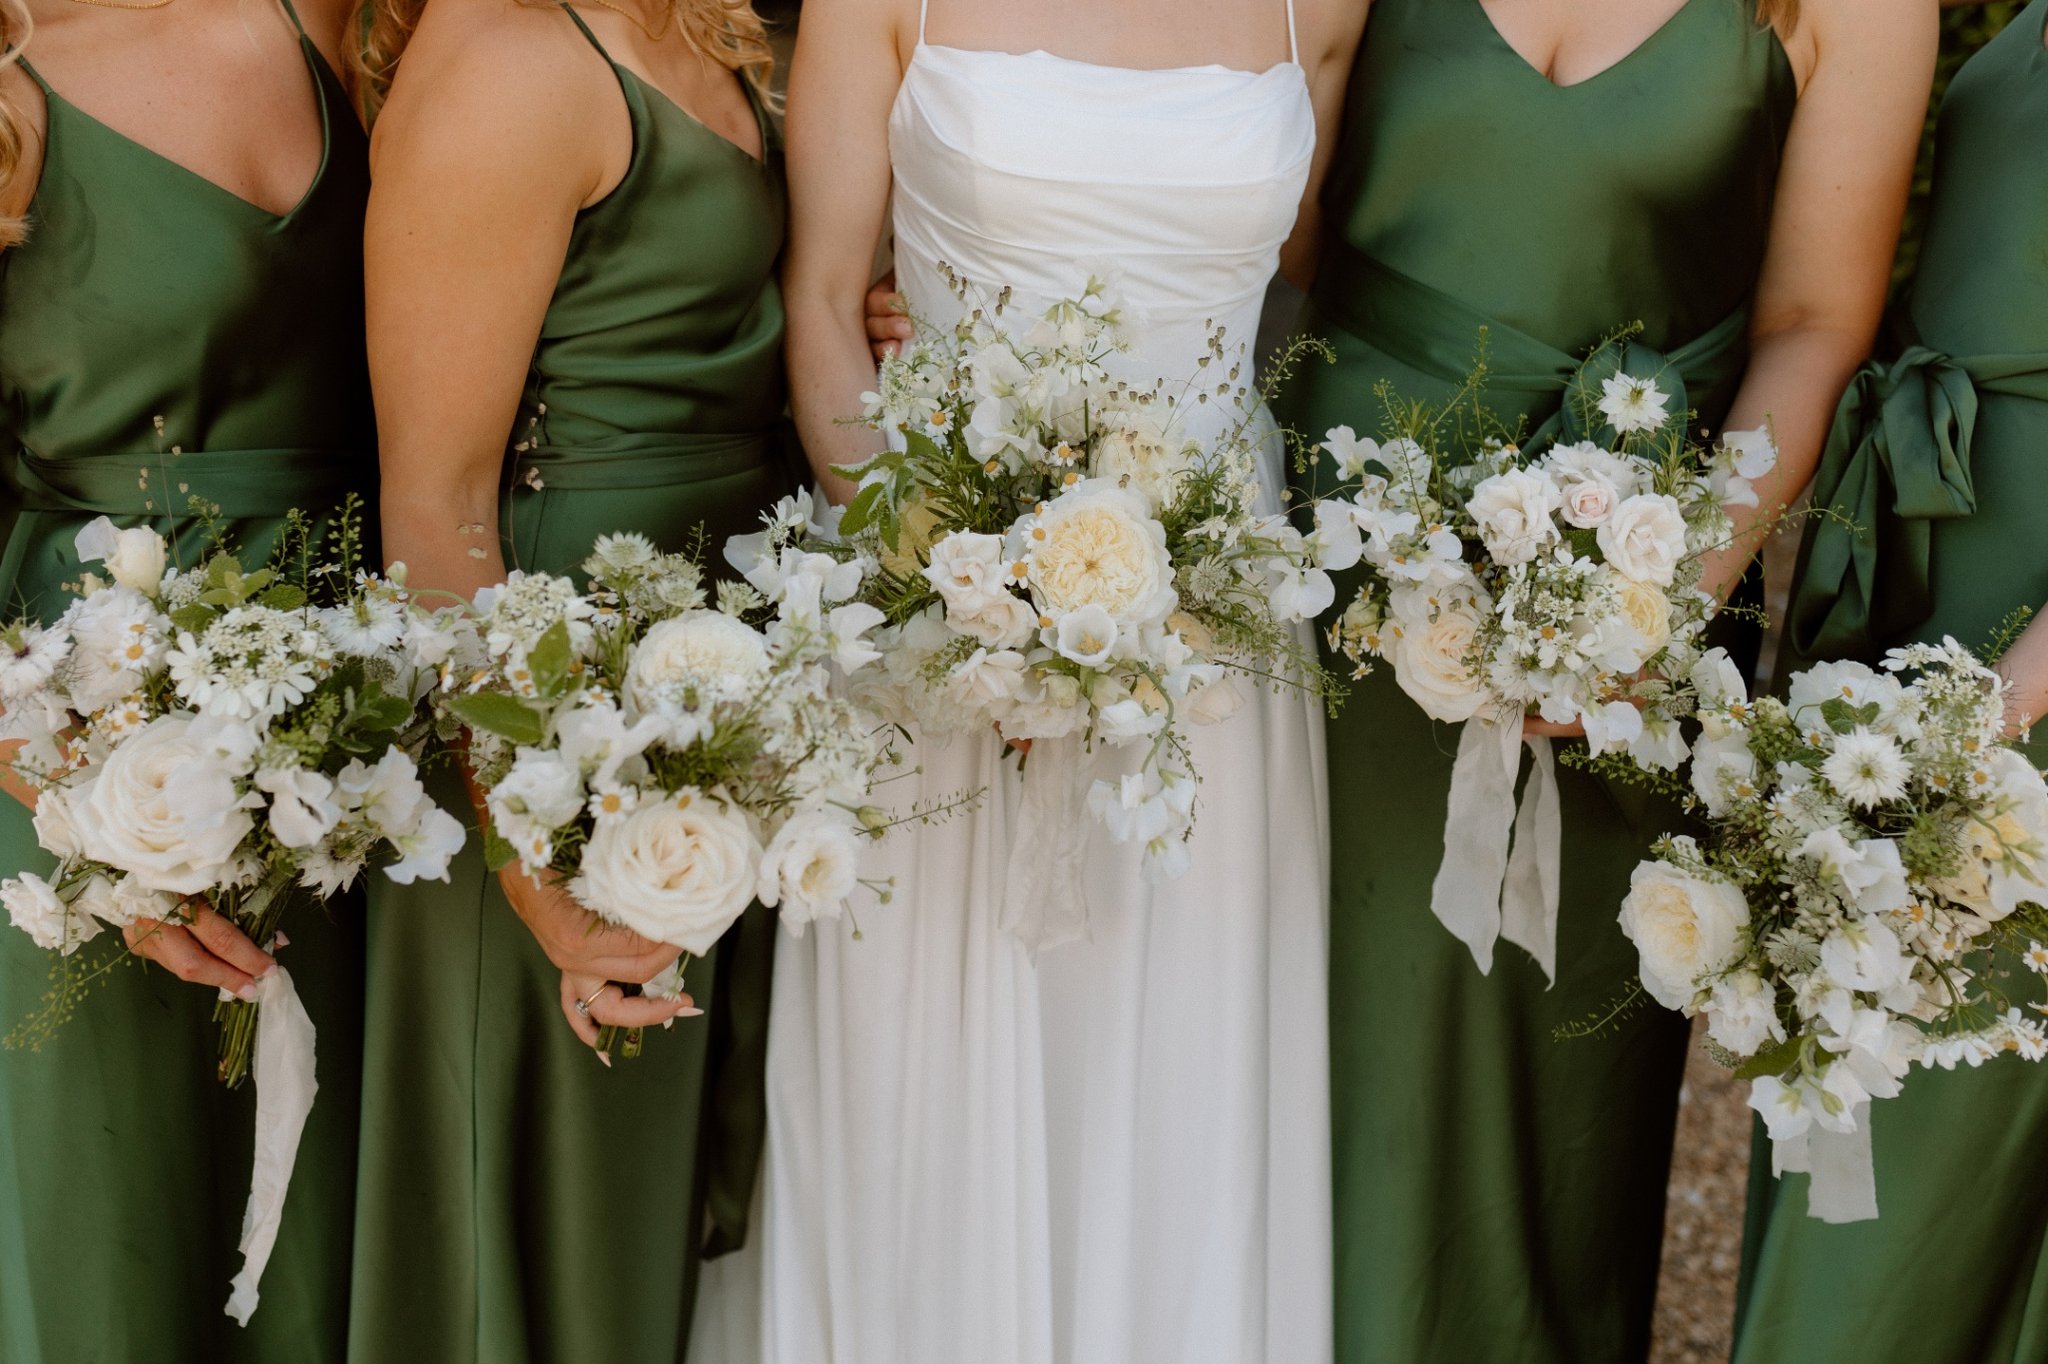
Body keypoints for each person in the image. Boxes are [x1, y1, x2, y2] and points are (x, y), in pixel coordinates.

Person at [696, 0, 1362, 1359]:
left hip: (1213, 638)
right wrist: (948, 578)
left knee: (1175, 1068)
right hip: (936, 599)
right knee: (924, 1068)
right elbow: (823, 300)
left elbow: (1291, 263)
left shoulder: (1321, 6)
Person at [1278, 0, 1934, 1359]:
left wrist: (1654, 596)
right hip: (1320, 563)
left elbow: (1815, 321)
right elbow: (1253, 216)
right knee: (1286, 1041)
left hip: (1628, 564)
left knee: (1536, 1099)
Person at [346, 0, 790, 1355]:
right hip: (550, 709)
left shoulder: (702, 24)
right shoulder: (507, 55)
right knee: (539, 1240)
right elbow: (433, 506)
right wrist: (537, 855)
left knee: (643, 1223)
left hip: (705, 684)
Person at [0, 0, 372, 1357]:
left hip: (373, 724)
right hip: (79, 721)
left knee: (336, 1239)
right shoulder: (16, 79)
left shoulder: (370, 29)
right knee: (117, 1234)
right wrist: (105, 833)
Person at [1734, 3, 2048, 1359]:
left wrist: (2005, 705)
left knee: (1926, 1154)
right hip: (1930, 617)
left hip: (2017, 686)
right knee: (1843, 1107)